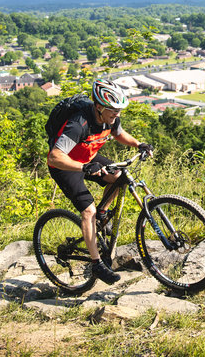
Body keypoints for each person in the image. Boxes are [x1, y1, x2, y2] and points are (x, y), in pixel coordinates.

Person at [47, 78, 153, 284]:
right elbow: (54, 156)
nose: (117, 114)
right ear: (98, 106)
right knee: (88, 211)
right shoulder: (79, 124)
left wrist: (139, 144)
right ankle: (97, 264)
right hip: (65, 165)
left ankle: (102, 214)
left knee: (119, 177)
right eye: (113, 109)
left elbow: (119, 134)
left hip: (88, 158)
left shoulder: (110, 118)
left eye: (119, 110)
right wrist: (82, 167)